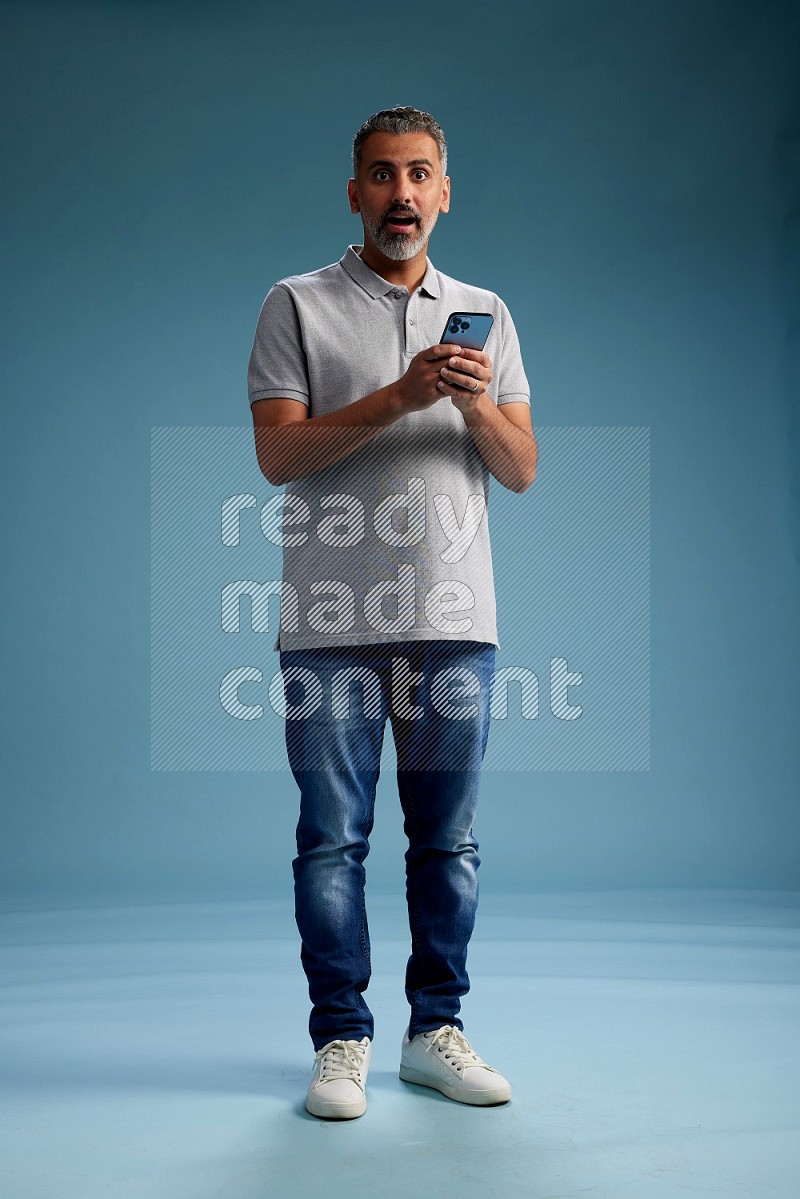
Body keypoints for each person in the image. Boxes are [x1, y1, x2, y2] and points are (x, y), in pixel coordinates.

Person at [247, 106, 537, 1119]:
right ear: (354, 192)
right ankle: (340, 1038)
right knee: (332, 840)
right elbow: (277, 455)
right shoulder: (296, 302)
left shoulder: (486, 312)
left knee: (446, 842)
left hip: (455, 617)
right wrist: (398, 395)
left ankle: (432, 1029)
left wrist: (464, 401)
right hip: (328, 621)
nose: (400, 194)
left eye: (418, 175)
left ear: (443, 191)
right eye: (381, 175)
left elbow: (520, 468)